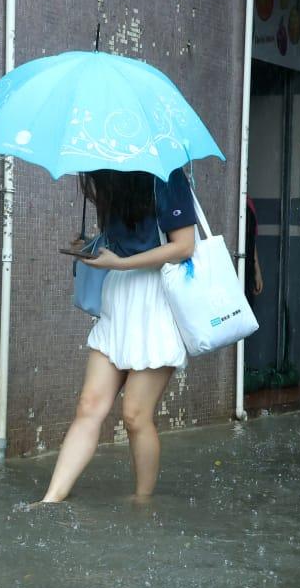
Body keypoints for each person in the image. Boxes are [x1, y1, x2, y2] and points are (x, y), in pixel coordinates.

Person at [38, 167, 198, 504]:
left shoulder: (165, 175)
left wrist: (123, 263)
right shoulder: (106, 174)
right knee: (89, 405)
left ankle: (143, 503)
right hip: (118, 298)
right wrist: (93, 246)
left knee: (136, 415)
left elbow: (184, 246)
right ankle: (51, 500)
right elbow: (123, 241)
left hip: (157, 300)